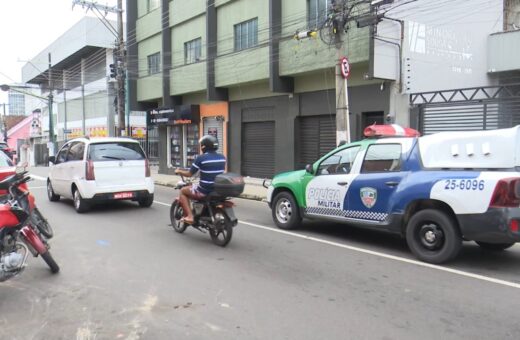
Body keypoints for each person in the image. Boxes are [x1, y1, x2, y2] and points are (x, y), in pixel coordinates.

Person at [175, 135, 226, 225]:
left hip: (205, 190)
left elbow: (190, 174)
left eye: (202, 145)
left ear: (204, 146)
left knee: (183, 191)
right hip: (218, 189)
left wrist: (179, 171)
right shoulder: (222, 157)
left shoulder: (201, 158)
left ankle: (190, 216)